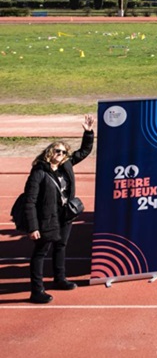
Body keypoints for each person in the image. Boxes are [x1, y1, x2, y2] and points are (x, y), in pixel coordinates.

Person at [24, 114, 95, 304]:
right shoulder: (39, 172)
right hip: (47, 218)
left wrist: (88, 132)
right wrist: (33, 227)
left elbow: (85, 151)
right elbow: (30, 201)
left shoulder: (66, 166)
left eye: (64, 152)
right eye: (57, 151)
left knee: (61, 246)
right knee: (40, 253)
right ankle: (36, 291)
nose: (61, 155)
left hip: (65, 215)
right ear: (49, 152)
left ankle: (59, 279)